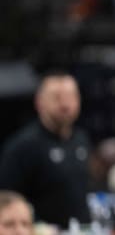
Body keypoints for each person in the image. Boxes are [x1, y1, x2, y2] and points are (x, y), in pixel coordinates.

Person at [0, 72, 91, 227]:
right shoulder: (23, 146)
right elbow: (6, 199)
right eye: (57, 97)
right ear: (39, 102)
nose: (65, 105)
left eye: (71, 97)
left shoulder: (81, 139)